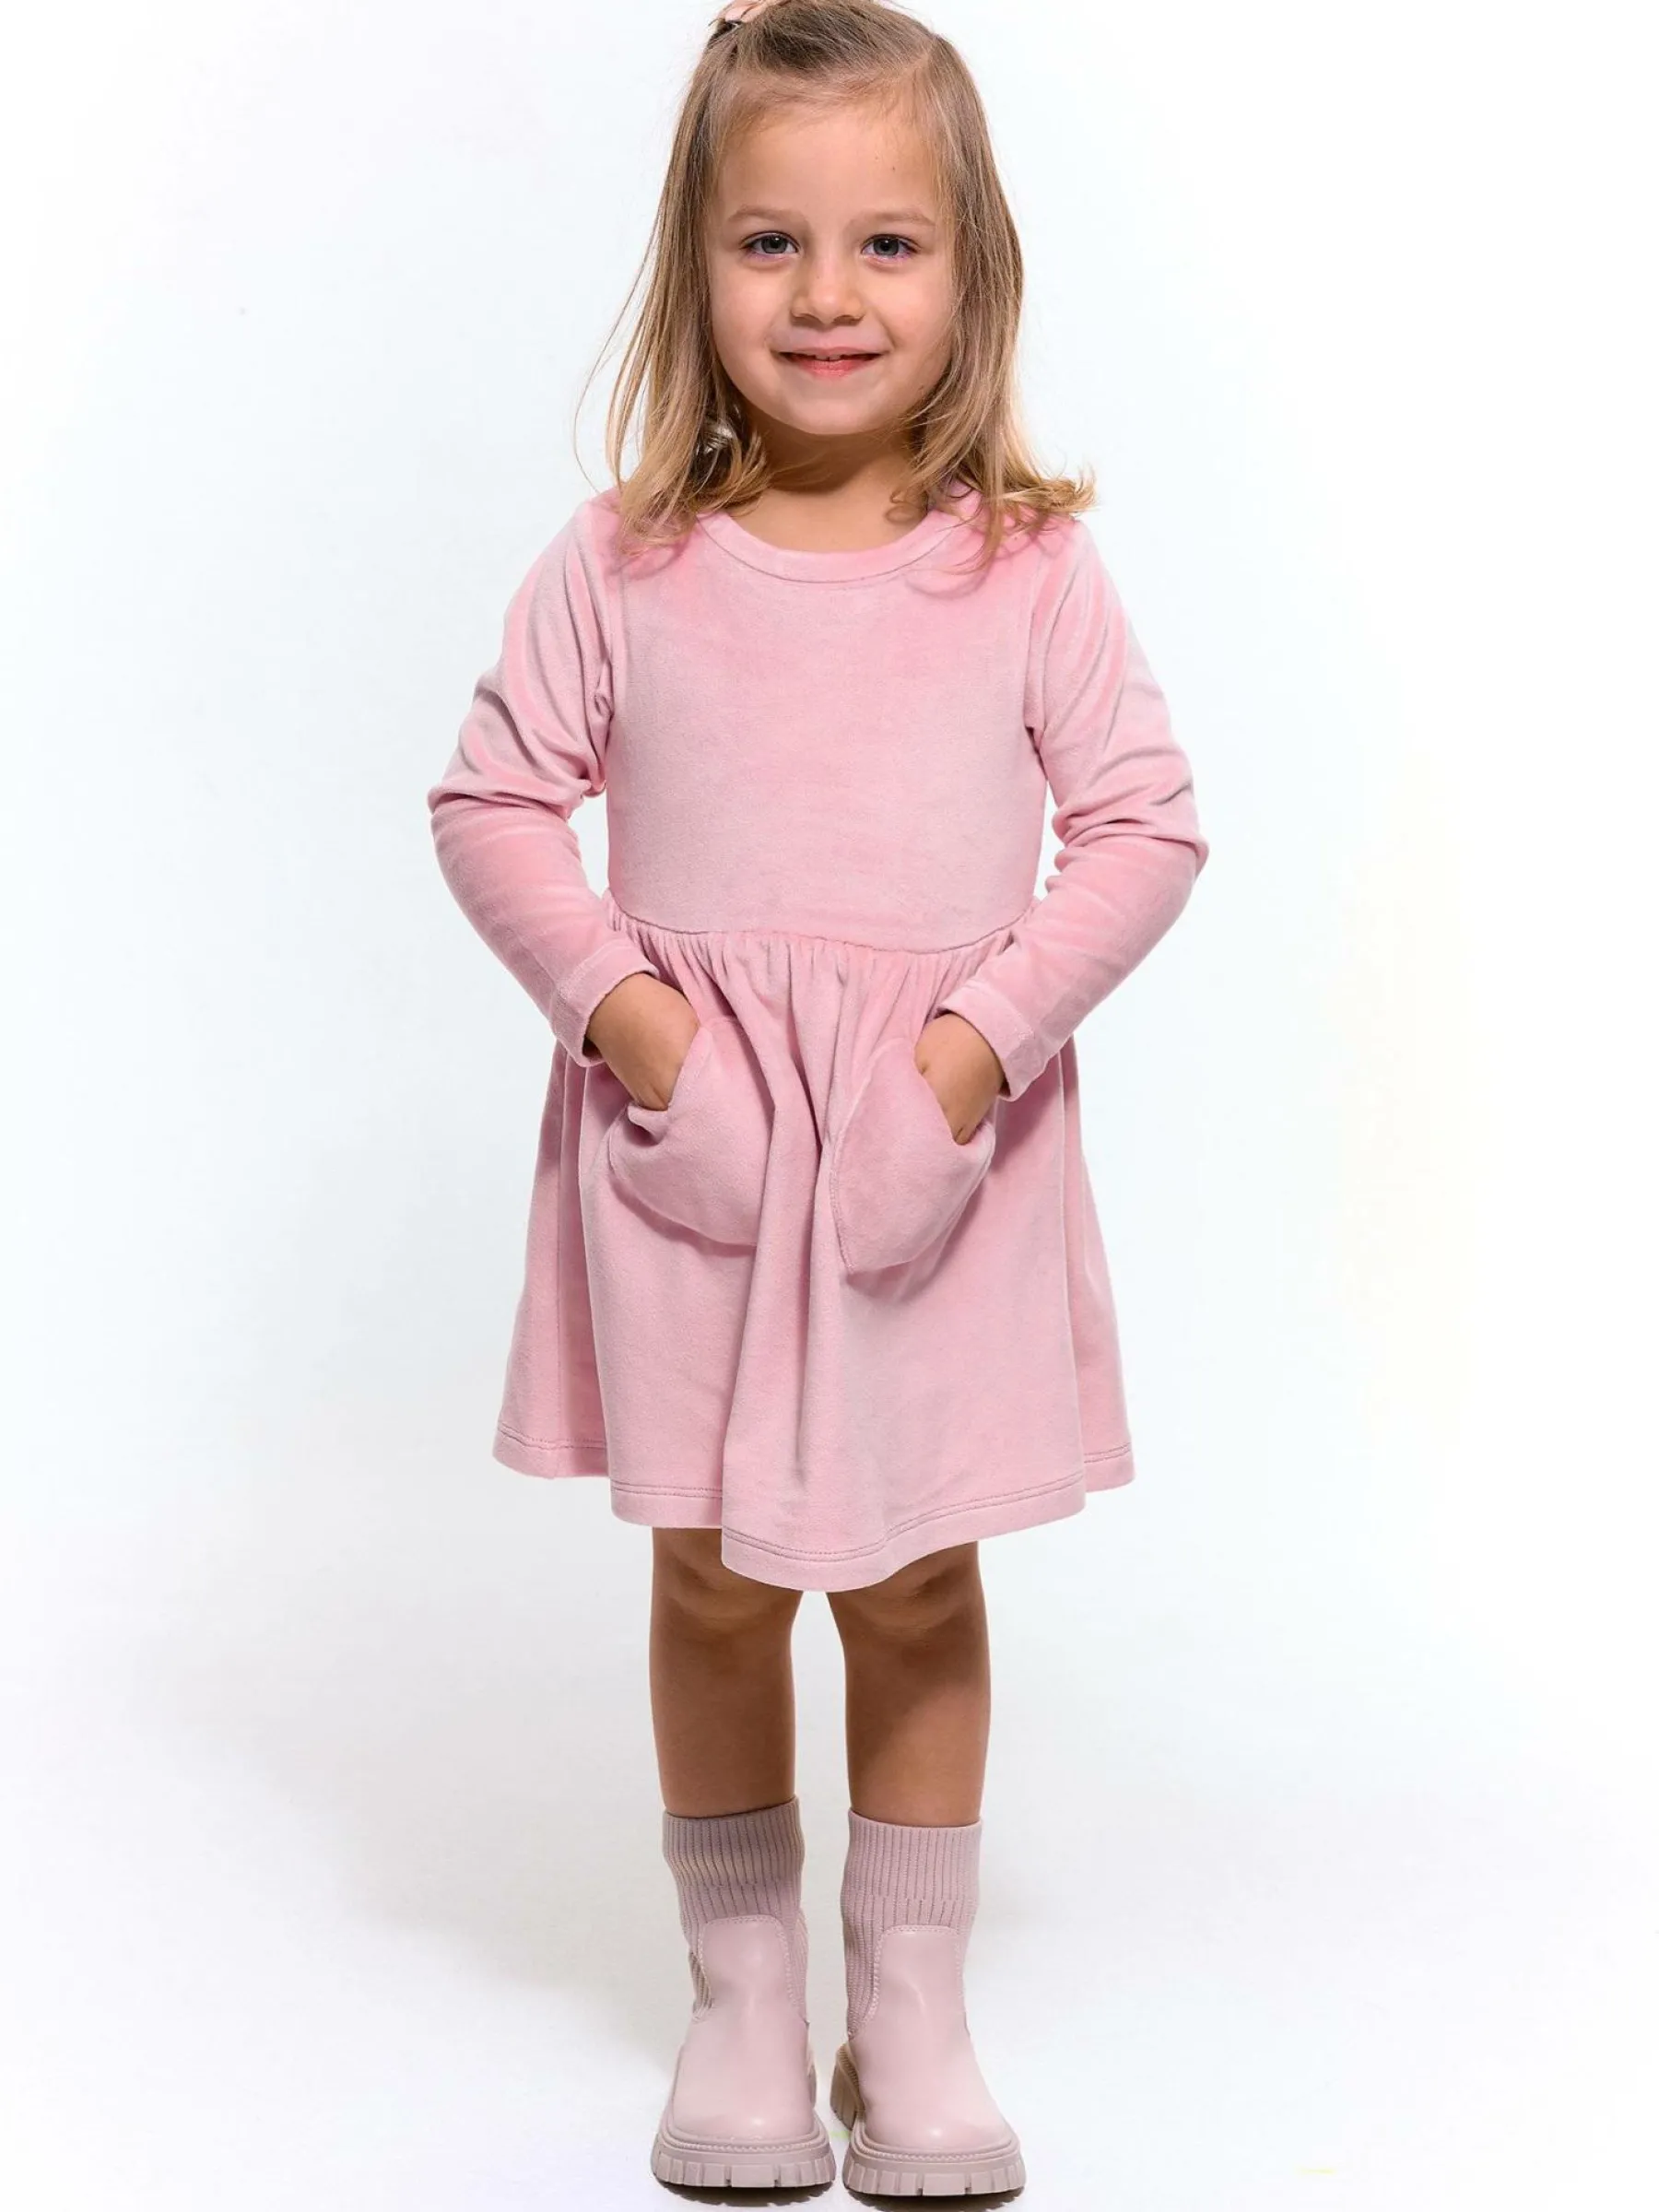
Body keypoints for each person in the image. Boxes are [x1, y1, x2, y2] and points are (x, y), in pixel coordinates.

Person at [426, 0, 1209, 2193]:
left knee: (919, 1583)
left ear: (972, 271)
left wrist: (961, 1067)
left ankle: (914, 2010)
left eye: (887, 243)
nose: (828, 295)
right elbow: (494, 805)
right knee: (708, 1577)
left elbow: (1144, 829)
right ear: (697, 264)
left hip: (925, 1175)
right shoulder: (623, 562)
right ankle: (745, 1998)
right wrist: (644, 1037)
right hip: (698, 1167)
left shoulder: (1028, 570)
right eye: (770, 242)